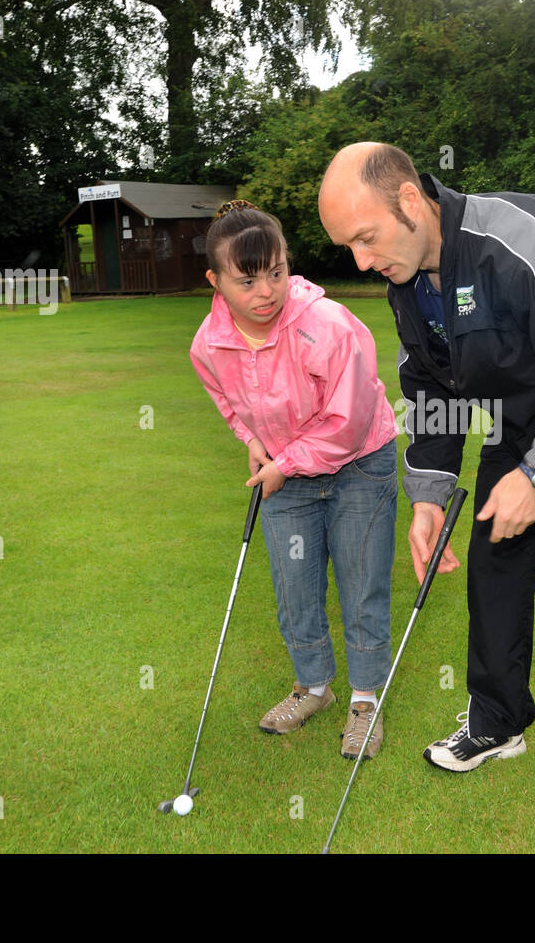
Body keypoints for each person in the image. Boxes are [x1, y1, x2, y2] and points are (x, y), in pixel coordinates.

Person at [318, 143, 535, 823]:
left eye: (365, 238)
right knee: (492, 567)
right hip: (519, 422)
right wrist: (427, 497)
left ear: (410, 203)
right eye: (346, 247)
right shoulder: (407, 280)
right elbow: (430, 389)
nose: (360, 261)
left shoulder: (518, 240)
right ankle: (498, 721)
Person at [189, 200, 399, 759]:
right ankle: (313, 688)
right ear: (215, 280)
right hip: (285, 471)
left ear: (288, 264)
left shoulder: (327, 326)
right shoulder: (207, 345)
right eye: (247, 279)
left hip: (360, 465)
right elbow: (228, 402)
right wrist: (253, 442)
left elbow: (349, 420)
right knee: (294, 586)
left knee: (362, 582)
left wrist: (282, 463)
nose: (266, 291)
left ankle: (363, 700)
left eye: (276, 272)